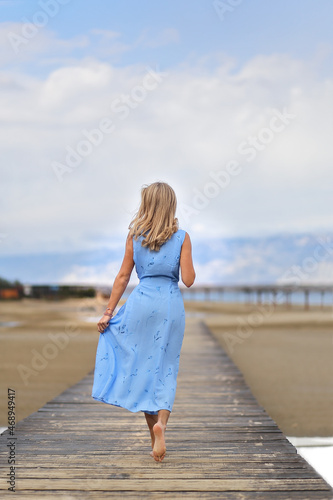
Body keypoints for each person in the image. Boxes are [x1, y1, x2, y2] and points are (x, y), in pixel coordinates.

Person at [92, 181, 195, 462]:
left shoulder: (134, 237)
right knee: (166, 367)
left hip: (141, 302)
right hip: (169, 305)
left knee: (143, 367)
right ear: (171, 205)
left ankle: (153, 436)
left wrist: (108, 313)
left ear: (146, 205)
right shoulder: (182, 237)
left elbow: (123, 277)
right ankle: (162, 423)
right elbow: (188, 279)